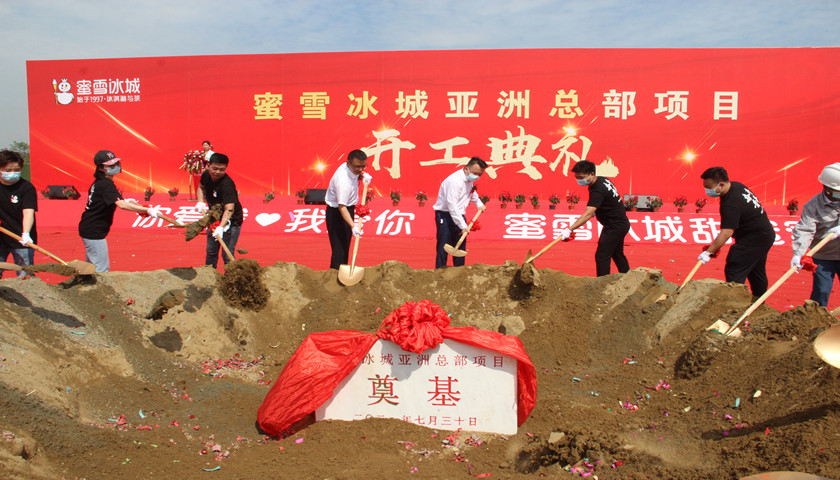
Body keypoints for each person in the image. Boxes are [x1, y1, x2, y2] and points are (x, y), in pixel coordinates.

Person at [78, 150, 163, 272]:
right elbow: (121, 204)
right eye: (111, 165)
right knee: (101, 269)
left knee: (92, 265)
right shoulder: (106, 184)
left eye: (116, 163)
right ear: (101, 168)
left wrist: (135, 206)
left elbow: (117, 200)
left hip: (89, 227)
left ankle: (86, 281)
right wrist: (148, 210)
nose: (116, 166)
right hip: (94, 230)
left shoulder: (101, 183)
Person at [697, 166, 775, 298]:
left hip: (755, 237)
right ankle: (759, 301)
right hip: (765, 234)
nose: (707, 191)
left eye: (709, 187)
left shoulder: (731, 203)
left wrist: (708, 252)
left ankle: (734, 301)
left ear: (721, 185)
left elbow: (727, 232)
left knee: (735, 265)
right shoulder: (737, 186)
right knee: (756, 270)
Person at [561, 159, 630, 276]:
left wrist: (569, 229)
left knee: (602, 255)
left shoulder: (598, 189)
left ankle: (602, 283)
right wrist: (596, 211)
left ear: (592, 174)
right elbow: (606, 202)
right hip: (620, 223)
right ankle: (629, 277)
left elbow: (588, 214)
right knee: (617, 253)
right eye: (577, 177)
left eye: (581, 177)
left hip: (615, 226)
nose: (579, 180)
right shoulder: (602, 180)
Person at [791, 163, 840, 306]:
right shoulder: (813, 206)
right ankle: (817, 318)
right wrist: (798, 253)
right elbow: (805, 230)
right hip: (823, 256)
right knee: (821, 291)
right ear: (828, 189)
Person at [433, 157, 487, 268]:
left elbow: (472, 193)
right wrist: (463, 225)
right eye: (475, 173)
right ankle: (439, 272)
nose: (477, 176)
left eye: (479, 174)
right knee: (443, 247)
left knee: (460, 247)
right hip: (445, 216)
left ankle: (459, 272)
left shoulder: (469, 180)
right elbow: (452, 206)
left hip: (459, 215)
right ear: (466, 169)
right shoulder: (454, 181)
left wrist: (479, 204)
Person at [325, 150, 371, 270]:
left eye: (363, 166)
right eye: (357, 166)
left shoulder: (351, 168)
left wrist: (362, 175)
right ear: (348, 163)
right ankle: (335, 275)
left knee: (344, 248)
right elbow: (342, 207)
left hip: (347, 208)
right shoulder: (343, 181)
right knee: (339, 250)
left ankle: (340, 272)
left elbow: (359, 171)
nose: (360, 169)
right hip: (337, 213)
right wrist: (353, 226)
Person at [195, 153, 243, 269]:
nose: (217, 172)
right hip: (214, 217)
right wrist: (200, 201)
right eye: (214, 168)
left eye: (222, 170)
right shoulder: (206, 175)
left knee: (227, 254)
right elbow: (201, 187)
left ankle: (230, 278)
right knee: (211, 252)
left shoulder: (227, 184)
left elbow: (229, 208)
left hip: (231, 221)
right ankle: (210, 276)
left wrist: (221, 227)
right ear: (208, 166)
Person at [0, 150, 37, 278]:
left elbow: (28, 212)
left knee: (25, 274)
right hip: (1, 237)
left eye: (16, 170)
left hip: (21, 239)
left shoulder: (26, 188)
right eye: (8, 170)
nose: (13, 173)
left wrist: (26, 234)